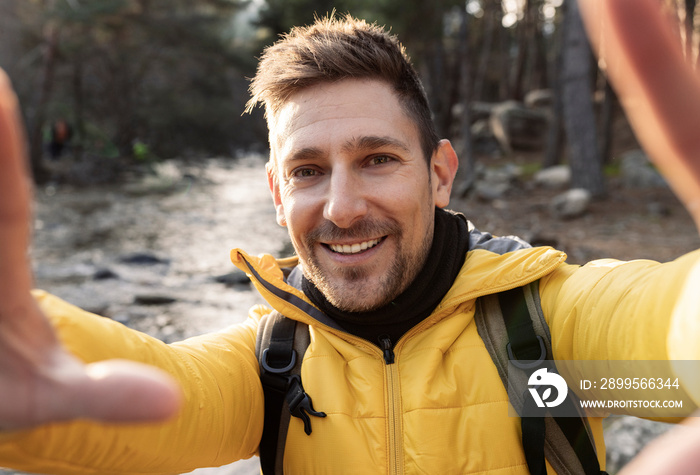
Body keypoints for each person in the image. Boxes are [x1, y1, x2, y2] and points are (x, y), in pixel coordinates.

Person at [0, 0, 699, 473]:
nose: (340, 207)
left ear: (440, 173)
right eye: (307, 170)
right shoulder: (272, 369)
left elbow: (669, 339)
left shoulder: (545, 348)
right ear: (278, 196)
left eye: (377, 159)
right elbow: (159, 395)